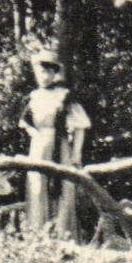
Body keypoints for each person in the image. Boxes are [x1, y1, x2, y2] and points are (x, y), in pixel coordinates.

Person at [20, 49, 91, 237]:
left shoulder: (64, 95)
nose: (44, 76)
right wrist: (34, 133)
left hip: (59, 147)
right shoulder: (34, 97)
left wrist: (76, 153)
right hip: (38, 147)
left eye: (48, 72)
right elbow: (25, 122)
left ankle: (63, 236)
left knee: (62, 190)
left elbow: (81, 126)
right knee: (37, 189)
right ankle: (38, 237)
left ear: (54, 73)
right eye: (40, 72)